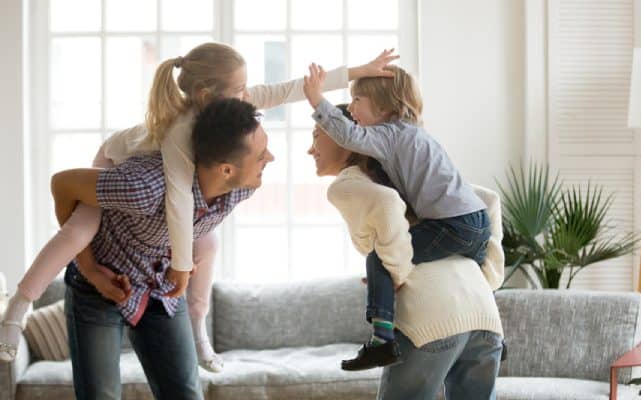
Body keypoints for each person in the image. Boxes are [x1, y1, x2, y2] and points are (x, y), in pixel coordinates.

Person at [0, 42, 398, 372]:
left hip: (161, 198)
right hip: (112, 160)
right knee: (79, 232)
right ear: (207, 95)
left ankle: (198, 333)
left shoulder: (230, 105)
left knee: (207, 246)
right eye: (239, 88)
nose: (248, 95)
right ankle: (17, 309)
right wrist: (180, 267)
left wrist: (359, 69)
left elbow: (288, 89)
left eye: (246, 87)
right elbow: (177, 198)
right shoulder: (180, 131)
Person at [53, 98, 266, 399]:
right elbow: (61, 184)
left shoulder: (242, 188)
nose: (270, 158)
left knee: (185, 394)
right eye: (260, 155)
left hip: (160, 287)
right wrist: (90, 270)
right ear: (226, 170)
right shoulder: (141, 188)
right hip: (98, 284)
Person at [308, 105, 506, 399]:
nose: (310, 150)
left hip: (430, 320)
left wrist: (396, 268)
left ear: (344, 137)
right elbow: (487, 199)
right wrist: (488, 276)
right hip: (484, 316)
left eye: (316, 136)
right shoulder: (405, 175)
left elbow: (387, 205)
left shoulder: (347, 184)